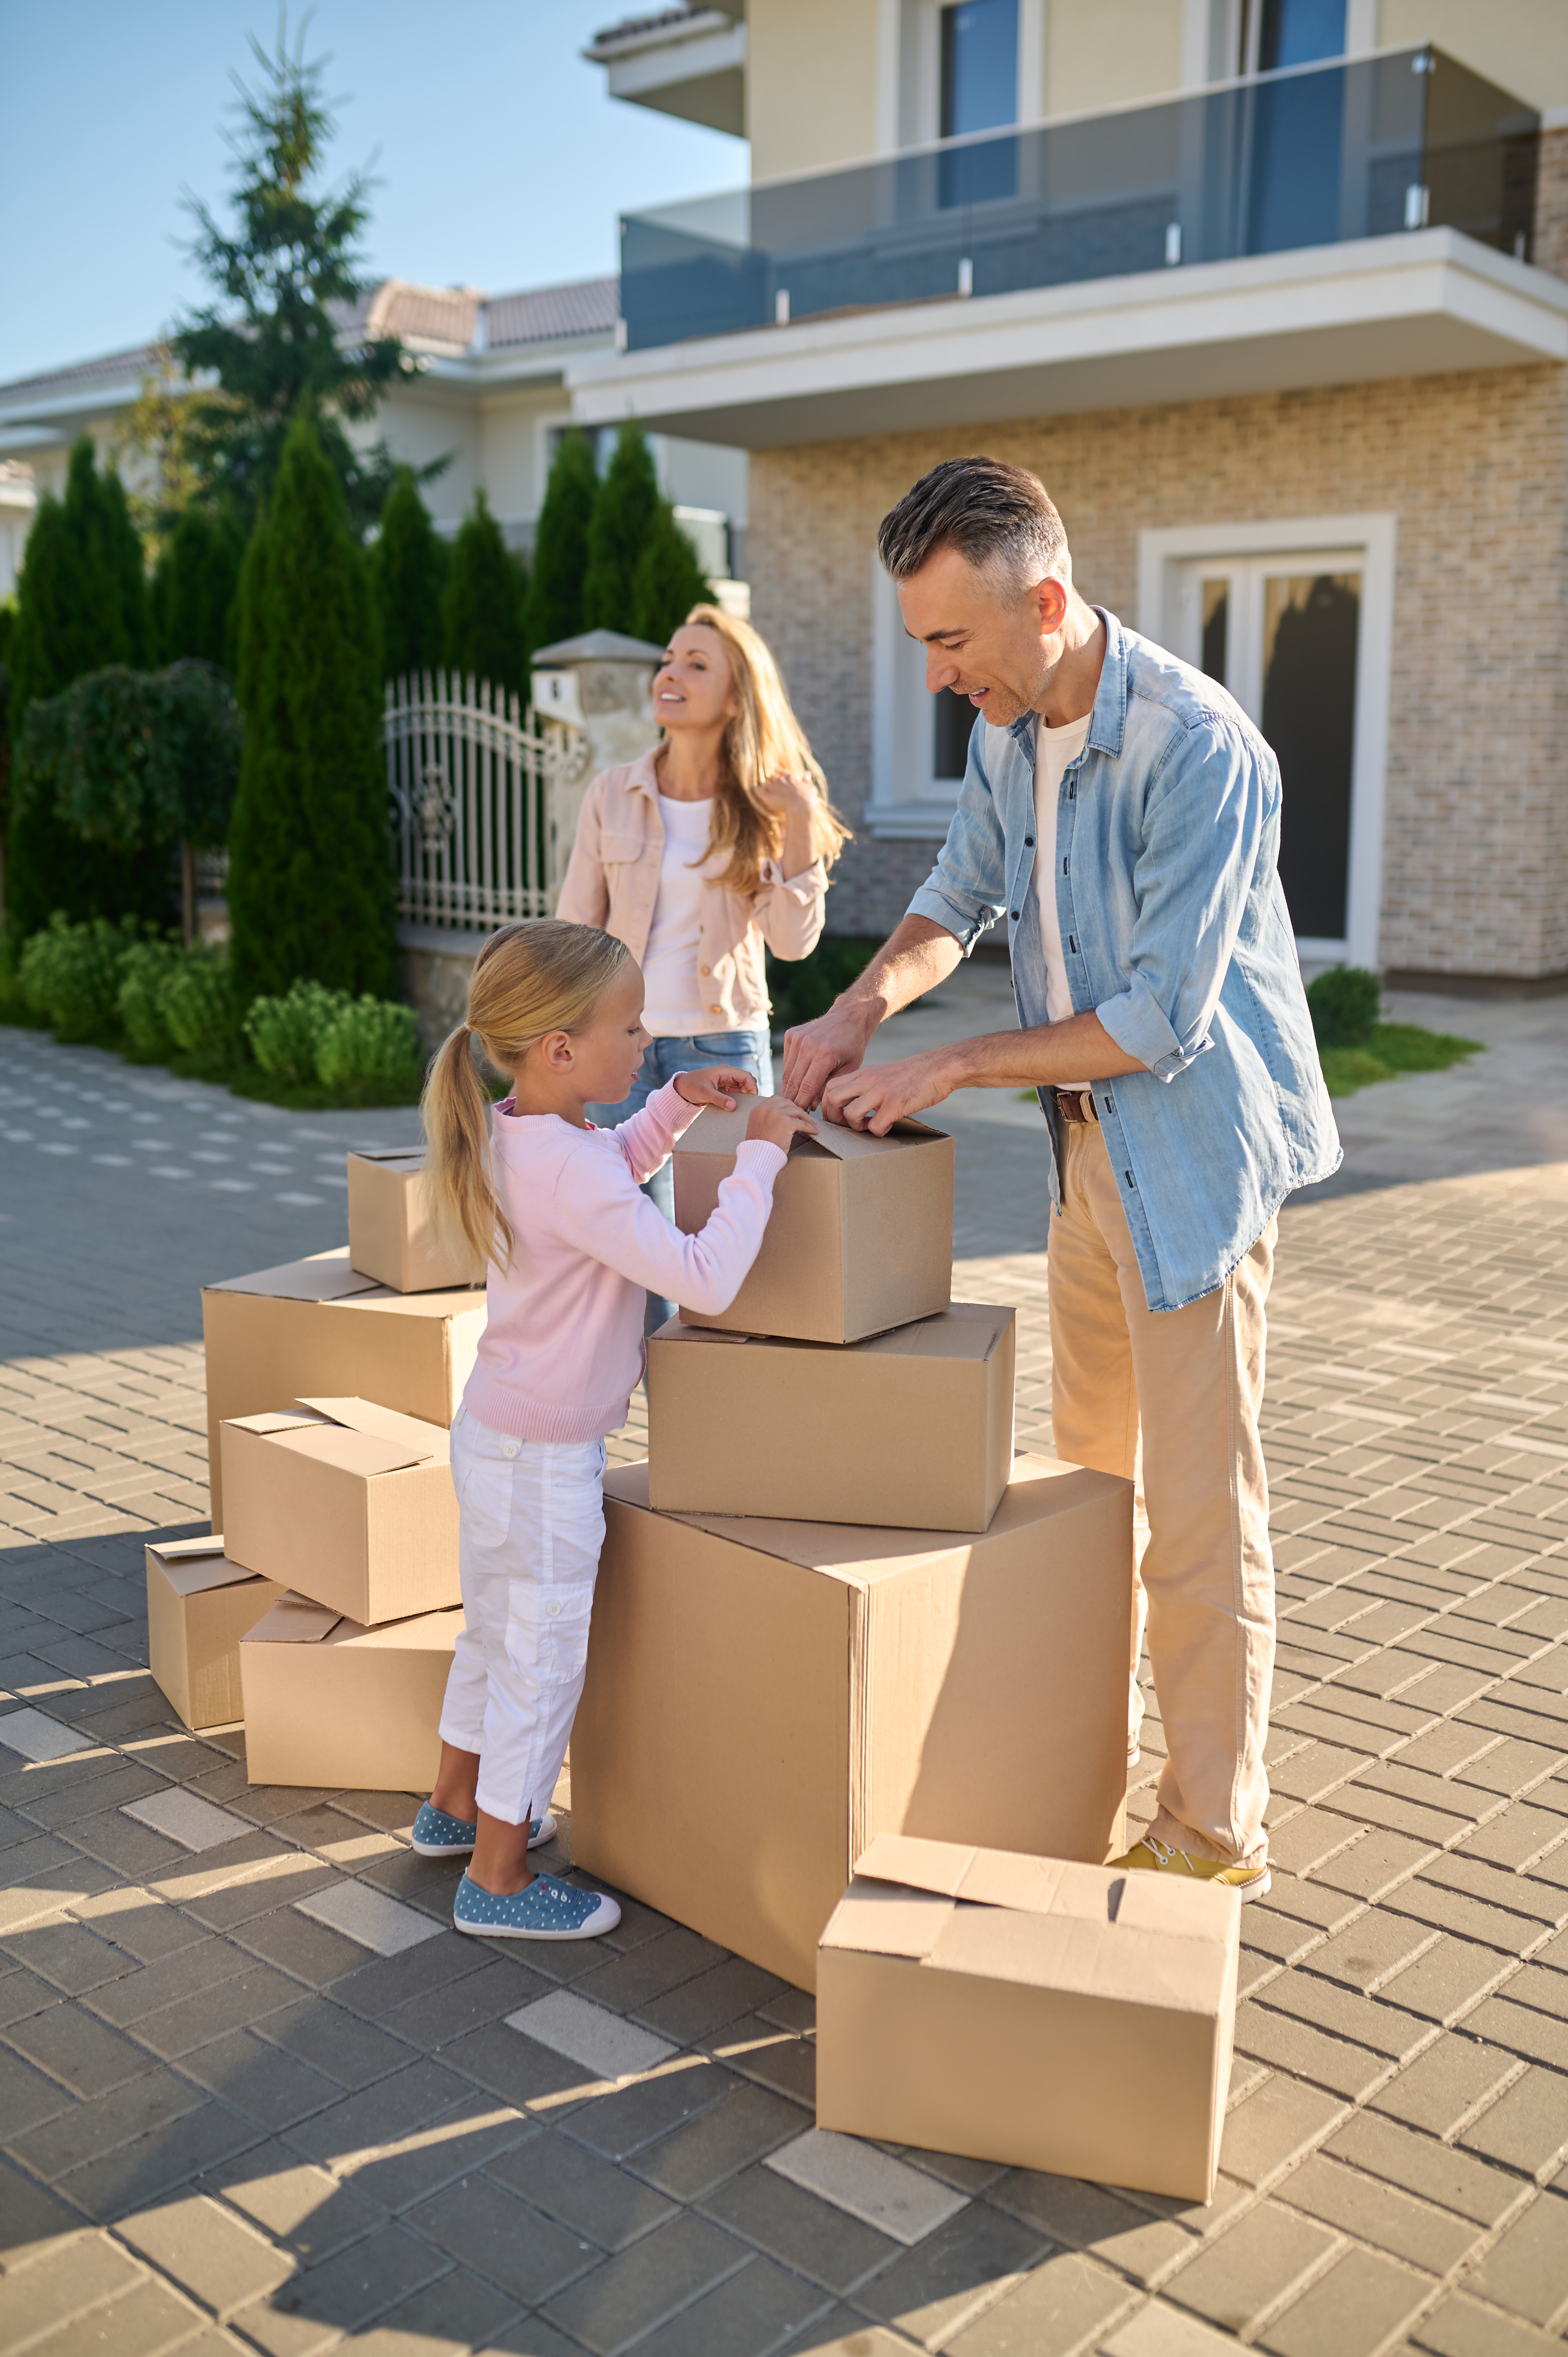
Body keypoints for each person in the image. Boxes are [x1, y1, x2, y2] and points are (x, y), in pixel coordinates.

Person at [783, 457, 1340, 1902]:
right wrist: (858, 1012)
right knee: (1098, 1492)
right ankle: (1087, 1764)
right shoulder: (1007, 725)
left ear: (1044, 597)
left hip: (1190, 1168)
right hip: (1084, 1155)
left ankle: (1215, 1829)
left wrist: (951, 1070)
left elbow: (1160, 1015)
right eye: (921, 641)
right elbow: (954, 896)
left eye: (951, 640)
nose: (936, 673)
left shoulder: (1197, 747)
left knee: (1202, 1509)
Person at [414, 917, 816, 1938]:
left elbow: (604, 1183)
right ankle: (497, 1880)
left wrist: (673, 1107)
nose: (649, 1043)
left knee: (495, 1635)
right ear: (561, 1050)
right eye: (632, 1031)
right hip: (545, 1462)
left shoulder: (525, 1129)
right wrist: (760, 1159)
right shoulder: (572, 1168)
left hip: (494, 1435)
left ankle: (454, 1810)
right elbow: (704, 1278)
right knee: (545, 1658)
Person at [558, 601, 849, 1325]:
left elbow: (793, 941)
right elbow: (574, 933)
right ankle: (664, 1418)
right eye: (668, 659)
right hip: (620, 1051)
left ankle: (720, 1419)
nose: (671, 674)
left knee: (738, 1246)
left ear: (734, 697)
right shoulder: (613, 794)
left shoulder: (767, 804)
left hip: (725, 1047)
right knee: (634, 1256)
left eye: (696, 664)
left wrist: (805, 821)